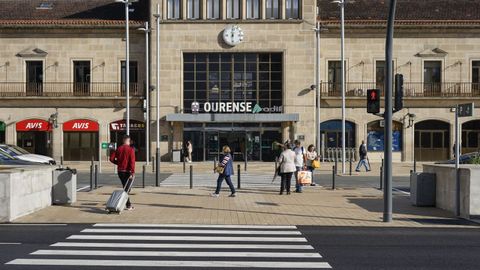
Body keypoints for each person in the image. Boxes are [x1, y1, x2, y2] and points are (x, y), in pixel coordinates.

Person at [109, 135, 136, 210]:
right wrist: (132, 172)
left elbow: (111, 159)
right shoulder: (131, 150)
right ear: (128, 141)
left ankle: (128, 204)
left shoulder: (118, 149)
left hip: (120, 171)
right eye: (129, 141)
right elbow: (132, 162)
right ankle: (121, 203)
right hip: (128, 172)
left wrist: (118, 163)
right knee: (127, 189)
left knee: (126, 188)